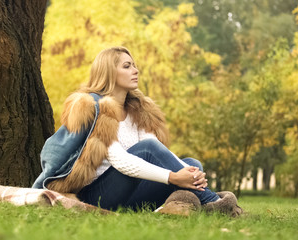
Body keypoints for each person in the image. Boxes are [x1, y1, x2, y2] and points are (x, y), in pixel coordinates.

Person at [32, 46, 242, 217]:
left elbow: (158, 152)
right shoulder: (97, 108)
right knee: (157, 155)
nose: (136, 70)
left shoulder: (138, 109)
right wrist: (173, 177)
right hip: (97, 196)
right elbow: (122, 161)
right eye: (127, 66)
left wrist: (185, 173)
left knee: (192, 165)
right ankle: (217, 204)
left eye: (134, 65)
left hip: (130, 196)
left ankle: (188, 206)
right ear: (109, 72)